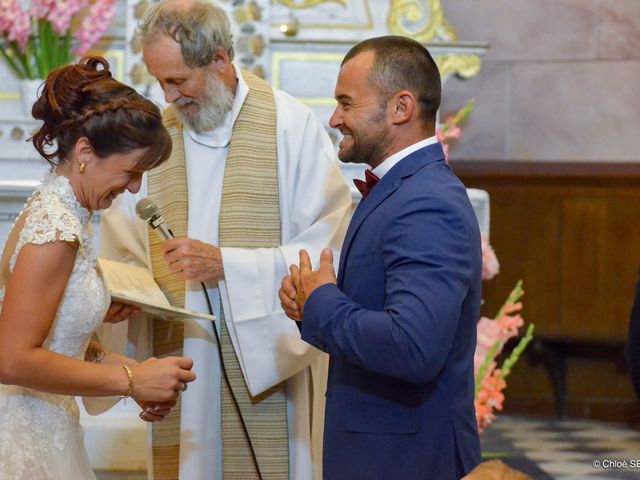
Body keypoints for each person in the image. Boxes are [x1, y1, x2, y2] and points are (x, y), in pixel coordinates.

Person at [97, 1, 352, 479]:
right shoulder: (157, 136)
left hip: (266, 355)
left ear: (219, 60)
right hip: (181, 353)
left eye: (178, 80)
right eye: (159, 81)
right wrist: (121, 296)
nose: (168, 96)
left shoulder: (287, 126)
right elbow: (125, 240)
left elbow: (326, 246)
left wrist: (228, 266)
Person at [279, 36, 482, 479]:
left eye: (346, 103)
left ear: (400, 107)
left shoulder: (427, 201)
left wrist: (324, 303)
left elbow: (413, 347)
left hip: (406, 461)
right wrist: (309, 308)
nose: (334, 118)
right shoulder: (404, 189)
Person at [0, 56, 196, 480]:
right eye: (131, 171)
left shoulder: (66, 213)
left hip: (49, 422)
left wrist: (127, 371)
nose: (134, 187)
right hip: (24, 433)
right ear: (86, 152)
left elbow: (56, 344)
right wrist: (131, 380)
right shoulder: (56, 229)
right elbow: (12, 359)